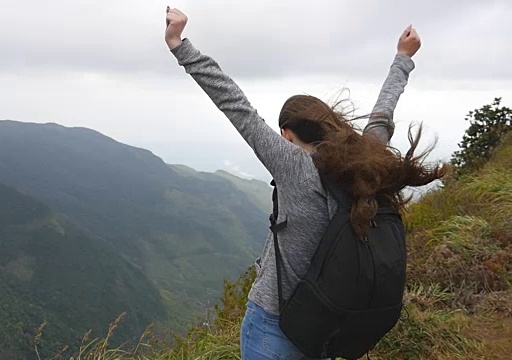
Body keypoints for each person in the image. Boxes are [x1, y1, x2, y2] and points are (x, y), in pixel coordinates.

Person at [164, 7, 447, 360]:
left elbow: (234, 103)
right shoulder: (367, 164)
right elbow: (382, 116)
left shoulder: (294, 166)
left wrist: (178, 43)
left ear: (286, 134)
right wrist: (403, 59)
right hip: (327, 323)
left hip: (274, 324)